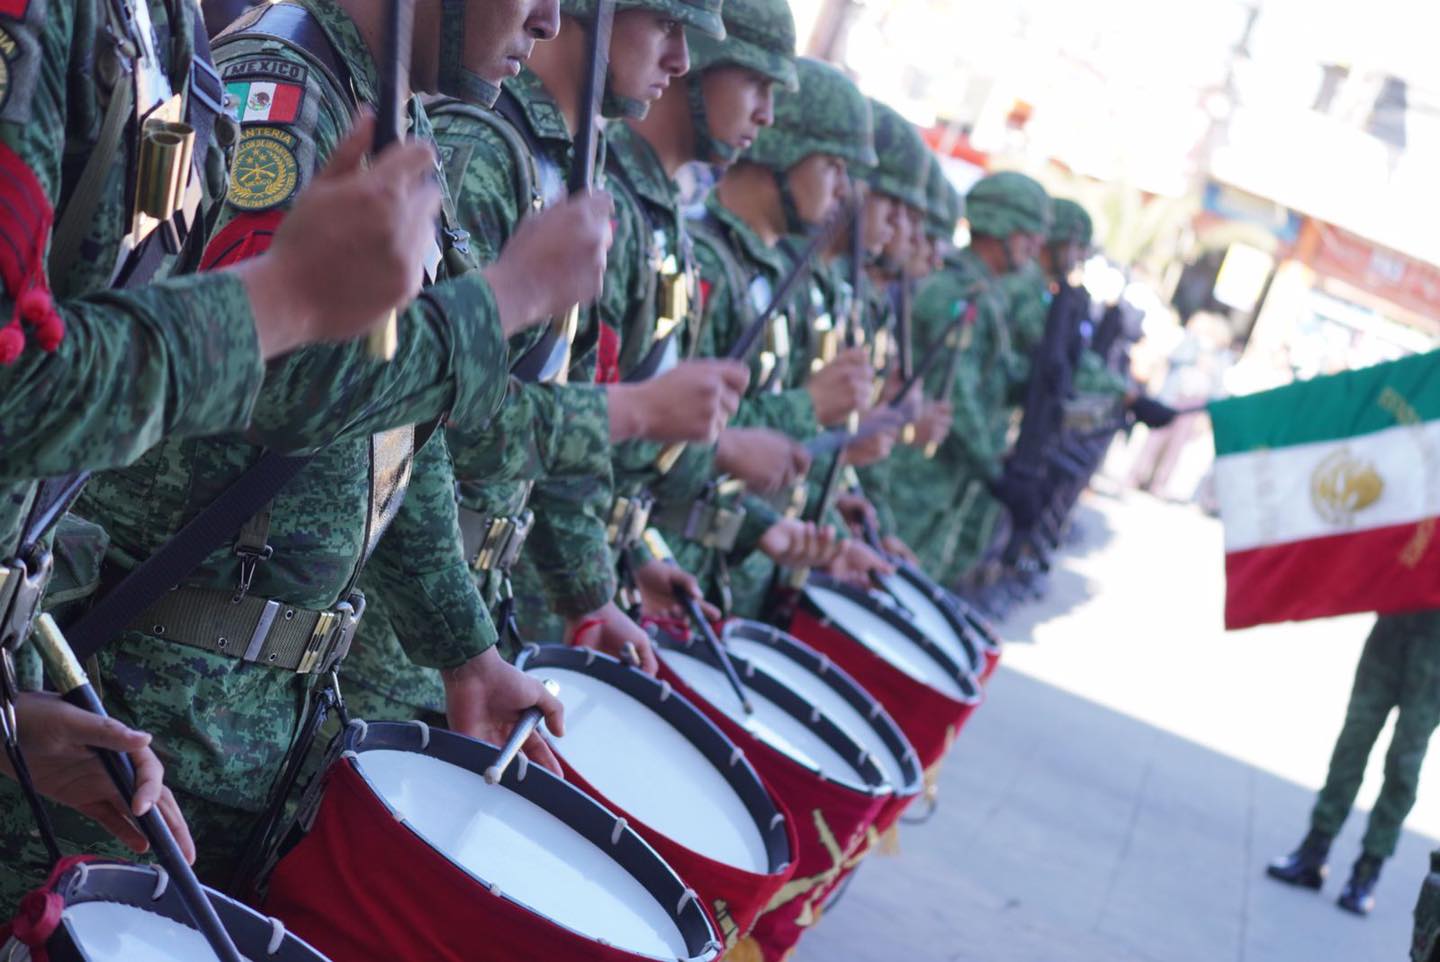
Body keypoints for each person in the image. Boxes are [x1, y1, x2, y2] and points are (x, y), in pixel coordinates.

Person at [0, 0, 607, 903]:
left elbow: (392, 426)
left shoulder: (379, 107)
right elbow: (270, 389)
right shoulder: (278, 86)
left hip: (211, 730)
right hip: (152, 682)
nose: (553, 22)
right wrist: (502, 303)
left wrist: (463, 650)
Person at [680, 56, 884, 618]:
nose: (844, 191)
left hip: (718, 566)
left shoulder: (769, 273)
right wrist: (811, 406)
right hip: (665, 559)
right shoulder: (709, 265)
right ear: (784, 151)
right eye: (833, 167)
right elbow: (674, 435)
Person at [885, 170, 1049, 586]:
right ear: (998, 225)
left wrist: (1041, 379)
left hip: (942, 482)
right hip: (913, 479)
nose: (1035, 246)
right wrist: (995, 471)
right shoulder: (956, 293)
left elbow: (991, 382)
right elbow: (956, 395)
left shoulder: (983, 291)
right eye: (1027, 232)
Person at [1268, 610, 1440, 916]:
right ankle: (1314, 849)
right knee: (1354, 739)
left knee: (1405, 760)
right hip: (1397, 617)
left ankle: (1367, 870)